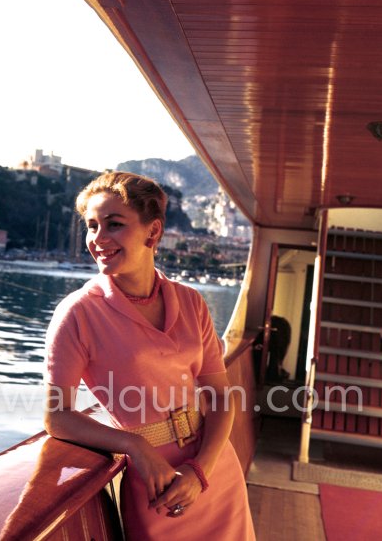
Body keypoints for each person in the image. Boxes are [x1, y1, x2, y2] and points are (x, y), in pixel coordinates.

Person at [44, 172, 255, 540]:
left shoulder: (191, 302)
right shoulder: (78, 313)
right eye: (92, 226)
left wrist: (200, 471)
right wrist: (133, 445)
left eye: (114, 224)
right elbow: (56, 415)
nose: (98, 239)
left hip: (216, 468)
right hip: (156, 487)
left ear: (152, 232)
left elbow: (220, 396)